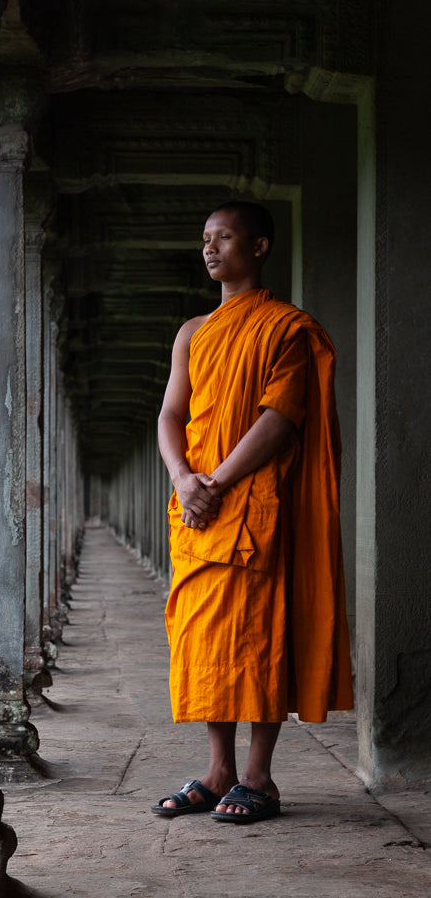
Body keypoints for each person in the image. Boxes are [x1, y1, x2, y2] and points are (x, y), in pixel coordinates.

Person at [152, 201, 353, 823]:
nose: (211, 249)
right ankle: (219, 770)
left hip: (252, 499)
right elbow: (169, 417)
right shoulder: (194, 332)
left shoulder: (288, 328)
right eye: (206, 239)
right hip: (197, 506)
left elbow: (280, 419)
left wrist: (215, 478)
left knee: (258, 638)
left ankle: (260, 778)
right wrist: (184, 478)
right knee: (205, 634)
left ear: (260, 246)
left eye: (225, 237)